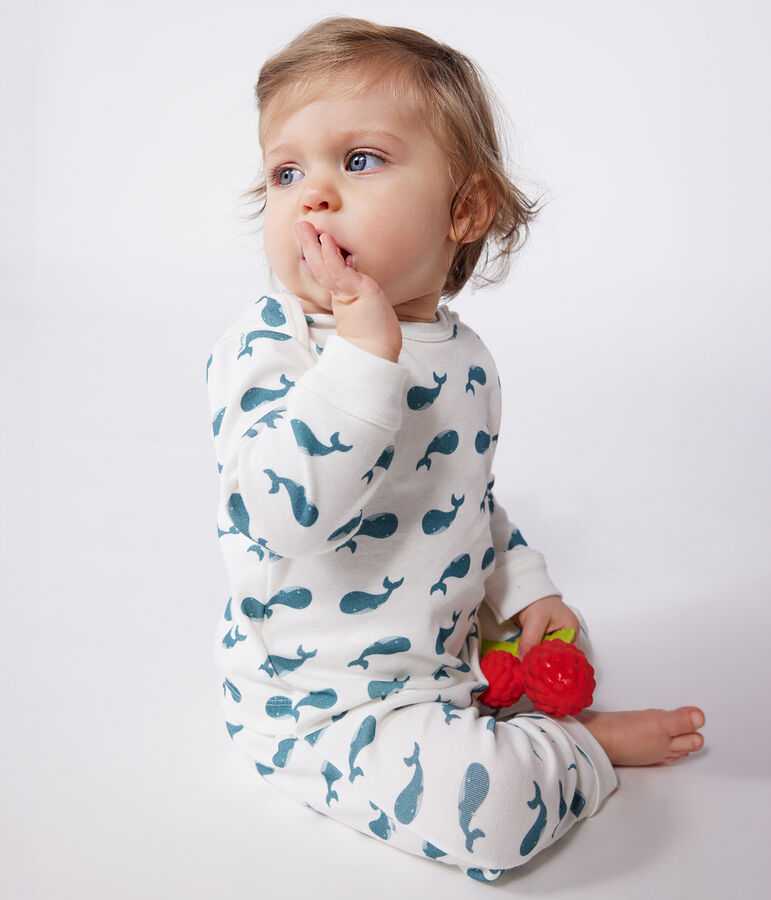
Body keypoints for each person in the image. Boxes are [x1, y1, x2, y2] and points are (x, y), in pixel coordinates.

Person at [206, 16, 705, 882]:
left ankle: (507, 711)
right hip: (318, 706)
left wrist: (522, 590)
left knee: (569, 642)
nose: (312, 195)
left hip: (443, 663)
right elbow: (281, 518)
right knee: (494, 814)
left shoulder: (463, 356)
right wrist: (360, 357)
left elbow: (461, 498)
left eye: (357, 161)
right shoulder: (271, 347)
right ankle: (576, 752)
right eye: (287, 172)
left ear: (463, 210)